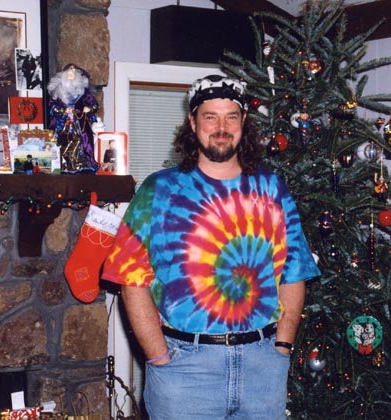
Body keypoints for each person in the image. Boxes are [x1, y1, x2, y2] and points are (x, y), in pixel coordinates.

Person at [102, 75, 321, 420]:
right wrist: (159, 356)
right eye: (210, 117)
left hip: (262, 369)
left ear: (243, 121)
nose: (221, 128)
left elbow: (294, 272)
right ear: (193, 122)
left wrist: (282, 347)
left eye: (231, 117)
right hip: (184, 371)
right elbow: (131, 281)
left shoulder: (271, 188)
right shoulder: (158, 191)